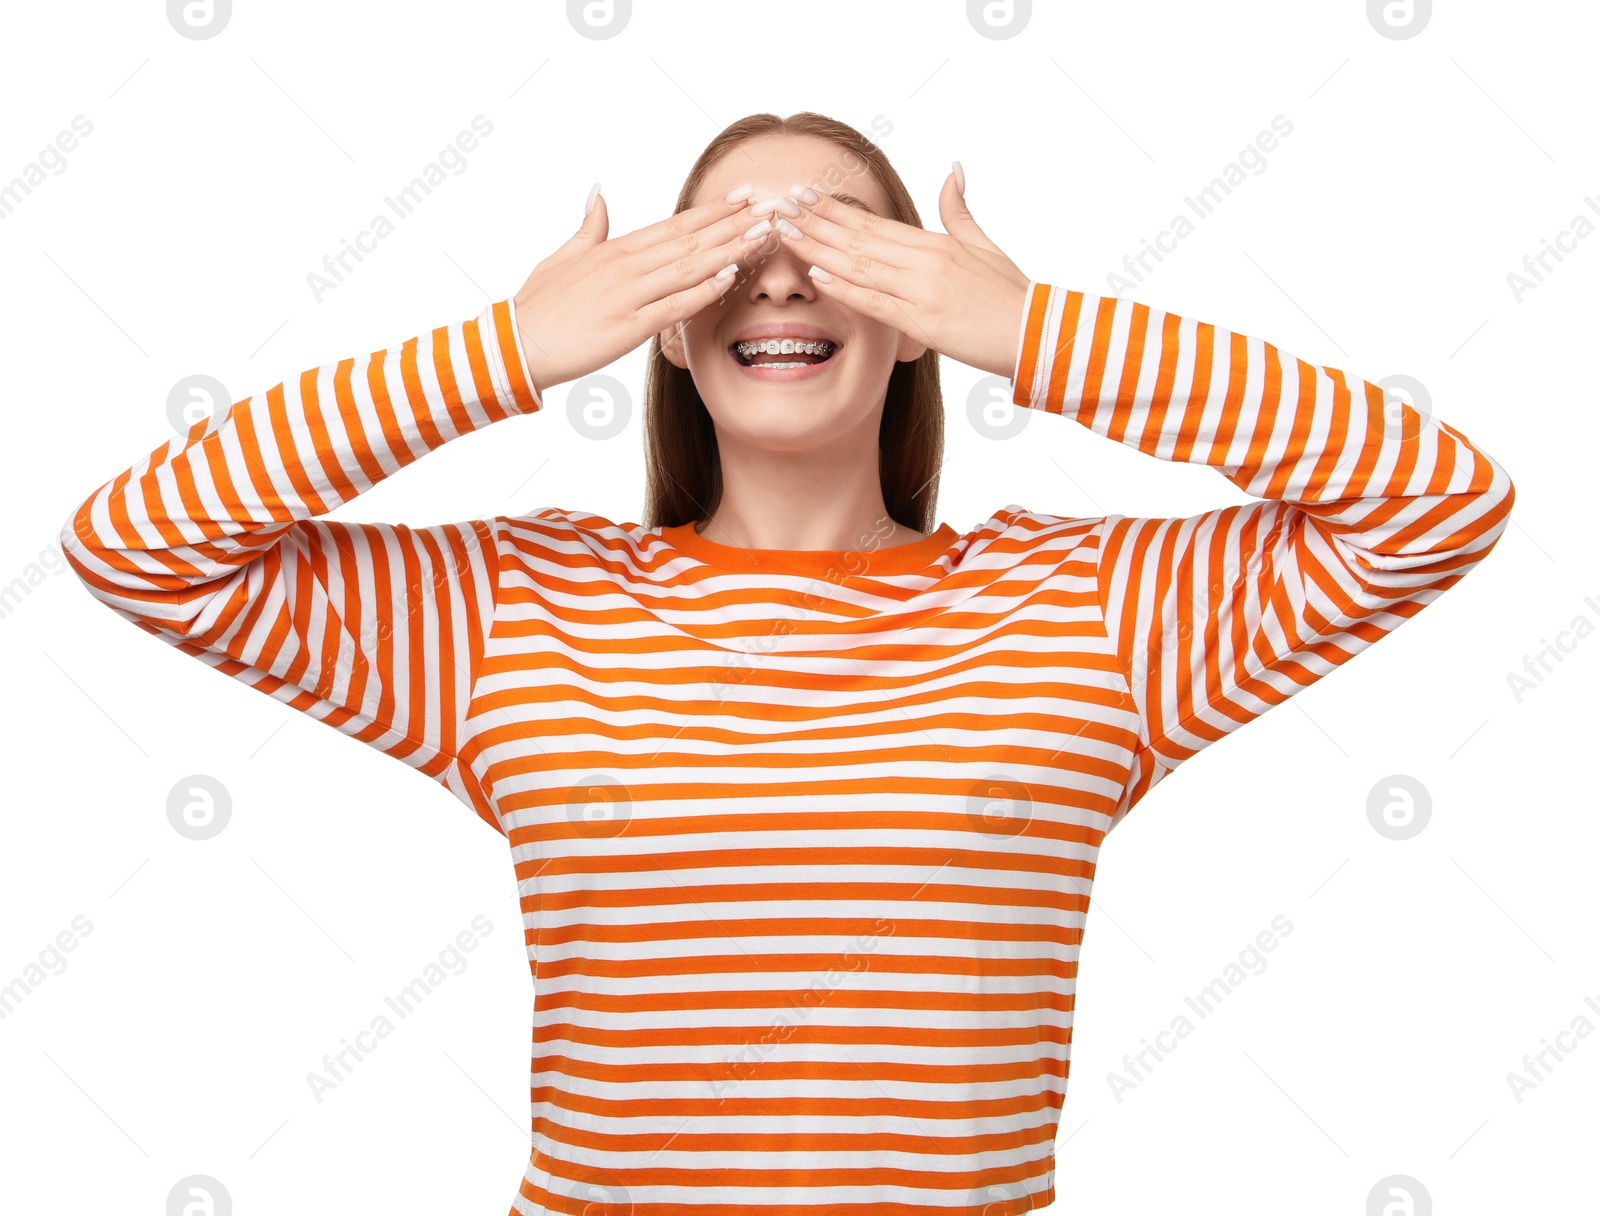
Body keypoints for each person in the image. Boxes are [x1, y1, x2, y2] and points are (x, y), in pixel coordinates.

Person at [60, 111, 1513, 1214]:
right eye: (720, 250)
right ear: (670, 332)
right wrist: (507, 349)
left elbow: (1437, 500)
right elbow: (136, 542)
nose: (775, 280)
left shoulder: (1090, 611)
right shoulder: (519, 609)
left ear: (912, 318)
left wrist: (1035, 331)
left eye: (834, 246)